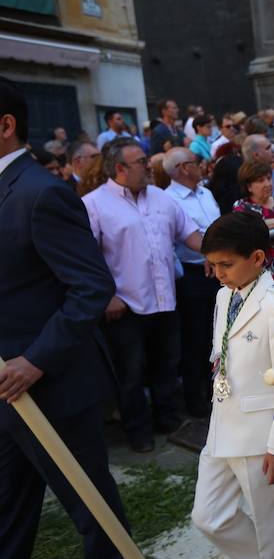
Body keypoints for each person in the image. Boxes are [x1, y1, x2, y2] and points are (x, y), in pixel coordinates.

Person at [0, 76, 133, 559]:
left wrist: (35, 361)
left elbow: (91, 287)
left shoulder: (41, 193)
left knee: (93, 510)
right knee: (7, 511)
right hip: (6, 393)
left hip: (51, 386)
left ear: (6, 125)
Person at [191, 211, 274, 559]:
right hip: (222, 424)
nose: (219, 273)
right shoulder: (225, 296)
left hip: (260, 434)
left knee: (271, 525)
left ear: (257, 258)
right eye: (213, 265)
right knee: (208, 517)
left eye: (226, 264)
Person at [82, 138, 203, 452]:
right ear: (120, 168)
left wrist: (227, 248)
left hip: (165, 300)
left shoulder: (162, 199)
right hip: (126, 305)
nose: (150, 166)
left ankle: (168, 420)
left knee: (166, 364)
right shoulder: (94, 204)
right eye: (142, 162)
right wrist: (107, 296)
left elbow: (192, 236)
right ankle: (138, 432)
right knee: (131, 375)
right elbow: (86, 258)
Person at [164, 147, 222, 416]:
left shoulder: (206, 192)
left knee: (219, 335)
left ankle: (217, 391)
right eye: (196, 161)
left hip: (219, 271)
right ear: (183, 168)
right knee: (195, 339)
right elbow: (187, 237)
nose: (202, 164)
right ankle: (195, 400)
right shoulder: (168, 200)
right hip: (193, 274)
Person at [232, 161, 274, 294]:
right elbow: (245, 228)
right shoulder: (242, 206)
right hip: (261, 277)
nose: (268, 183)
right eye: (261, 180)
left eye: (268, 178)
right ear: (249, 186)